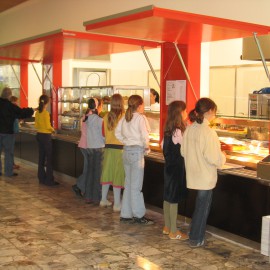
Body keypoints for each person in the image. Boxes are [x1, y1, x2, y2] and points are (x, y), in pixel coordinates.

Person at [181, 97, 226, 248]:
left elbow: (183, 151)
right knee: (202, 207)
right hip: (205, 176)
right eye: (214, 111)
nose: (214, 114)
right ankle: (196, 238)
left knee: (199, 206)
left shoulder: (190, 128)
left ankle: (194, 233)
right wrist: (223, 158)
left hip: (194, 173)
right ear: (209, 111)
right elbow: (213, 157)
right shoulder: (208, 132)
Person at [115, 94, 153, 225]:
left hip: (126, 151)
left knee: (129, 184)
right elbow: (145, 136)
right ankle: (139, 215)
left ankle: (126, 214)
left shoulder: (125, 118)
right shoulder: (141, 118)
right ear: (140, 105)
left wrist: (125, 141)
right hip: (137, 153)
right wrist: (146, 147)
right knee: (136, 186)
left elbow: (117, 133)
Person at [162, 100, 189, 240]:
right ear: (179, 113)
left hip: (168, 167)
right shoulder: (178, 131)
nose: (186, 113)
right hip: (177, 168)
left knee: (167, 197)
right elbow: (185, 149)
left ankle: (167, 226)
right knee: (174, 199)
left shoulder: (168, 130)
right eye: (184, 111)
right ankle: (174, 231)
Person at [0, 87, 34, 177]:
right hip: (8, 133)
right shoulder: (10, 106)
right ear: (9, 96)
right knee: (8, 153)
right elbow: (21, 112)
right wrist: (31, 110)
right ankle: (8, 172)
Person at [100, 94, 125, 212]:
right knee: (117, 176)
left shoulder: (105, 116)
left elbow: (103, 134)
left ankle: (103, 199)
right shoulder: (124, 117)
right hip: (120, 150)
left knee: (107, 174)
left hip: (108, 149)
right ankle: (117, 204)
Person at [72, 98, 99, 198]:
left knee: (88, 168)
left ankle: (83, 187)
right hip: (88, 145)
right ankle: (79, 186)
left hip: (84, 144)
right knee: (88, 169)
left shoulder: (86, 116)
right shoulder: (93, 118)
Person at [35, 94, 58, 186]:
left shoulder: (37, 113)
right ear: (47, 103)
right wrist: (53, 130)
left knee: (41, 157)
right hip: (46, 136)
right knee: (49, 159)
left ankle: (41, 178)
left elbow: (36, 125)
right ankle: (49, 180)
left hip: (39, 135)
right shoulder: (46, 113)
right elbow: (48, 126)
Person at [84, 98, 105, 204]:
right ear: (98, 106)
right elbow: (103, 135)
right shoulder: (100, 120)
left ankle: (88, 196)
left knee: (90, 172)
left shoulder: (88, 119)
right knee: (97, 174)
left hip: (89, 148)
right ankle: (97, 197)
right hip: (98, 148)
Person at [10, 96, 21, 170]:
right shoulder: (13, 109)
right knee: (10, 149)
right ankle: (11, 165)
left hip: (12, 131)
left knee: (11, 149)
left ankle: (12, 164)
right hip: (12, 132)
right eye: (16, 101)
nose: (17, 103)